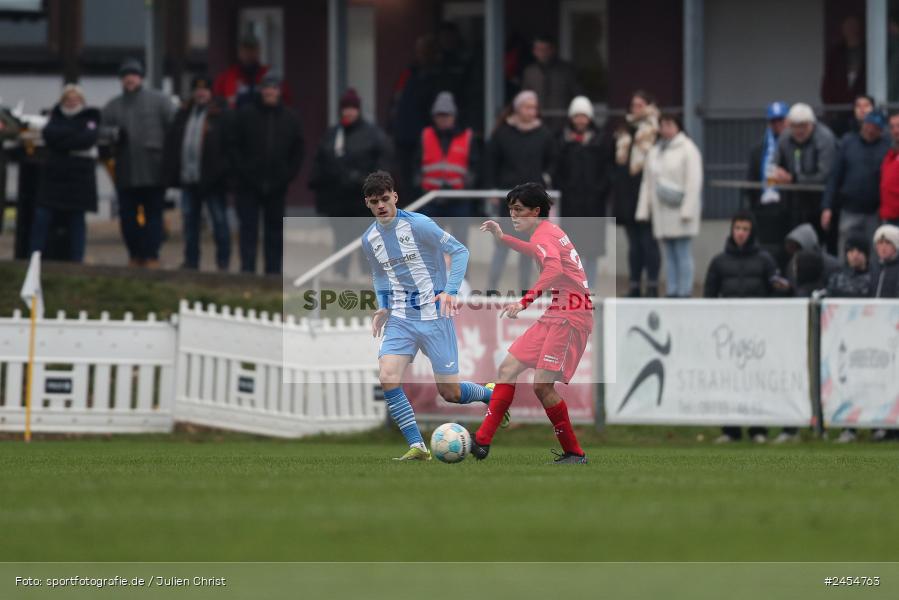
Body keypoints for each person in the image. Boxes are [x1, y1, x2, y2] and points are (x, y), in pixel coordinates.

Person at [360, 171, 498, 461]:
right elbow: (378, 273)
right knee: (387, 377)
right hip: (400, 318)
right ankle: (418, 447)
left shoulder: (420, 225)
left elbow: (460, 252)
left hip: (434, 317)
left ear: (395, 196)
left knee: (451, 392)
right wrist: (383, 305)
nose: (382, 205)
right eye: (375, 202)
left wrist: (449, 290)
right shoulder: (370, 238)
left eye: (386, 199)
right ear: (368, 204)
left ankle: (490, 394)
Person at [471, 183, 592, 464]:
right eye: (510, 209)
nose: (513, 216)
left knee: (542, 386)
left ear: (536, 211)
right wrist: (503, 239)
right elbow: (540, 253)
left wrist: (524, 302)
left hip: (571, 316)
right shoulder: (548, 232)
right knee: (508, 367)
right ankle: (482, 440)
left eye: (519, 210)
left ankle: (575, 452)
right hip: (557, 312)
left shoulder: (544, 235)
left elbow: (553, 268)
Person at [704, 211, 779, 444]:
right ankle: (730, 429)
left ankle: (758, 429)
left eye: (745, 229)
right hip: (729, 336)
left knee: (756, 380)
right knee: (729, 380)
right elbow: (709, 296)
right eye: (738, 228)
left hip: (756, 334)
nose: (741, 233)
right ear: (731, 230)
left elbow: (776, 291)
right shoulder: (719, 262)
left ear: (752, 232)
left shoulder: (765, 261)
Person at [310, 89, 392, 279]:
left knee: (368, 239)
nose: (349, 112)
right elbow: (321, 162)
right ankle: (340, 272)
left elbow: (383, 163)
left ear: (358, 110)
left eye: (352, 108)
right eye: (345, 108)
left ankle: (368, 274)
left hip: (364, 200)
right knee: (341, 238)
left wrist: (364, 181)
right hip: (338, 200)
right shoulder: (333, 134)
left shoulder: (373, 134)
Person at [102, 58, 176, 268]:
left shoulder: (160, 101)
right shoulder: (113, 106)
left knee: (154, 216)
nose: (129, 79)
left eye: (133, 75)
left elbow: (174, 127)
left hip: (154, 172)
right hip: (125, 172)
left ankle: (152, 255)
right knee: (127, 219)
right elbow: (100, 130)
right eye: (125, 76)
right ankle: (134, 255)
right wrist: (112, 134)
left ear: (141, 77)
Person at [230, 73, 303, 275]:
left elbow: (298, 151)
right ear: (261, 91)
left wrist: (287, 175)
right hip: (248, 185)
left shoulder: (290, 118)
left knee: (274, 232)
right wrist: (243, 172)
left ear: (279, 92)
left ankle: (273, 273)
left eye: (274, 88)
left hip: (277, 185)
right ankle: (247, 270)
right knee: (248, 230)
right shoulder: (245, 115)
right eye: (266, 88)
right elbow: (233, 147)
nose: (270, 92)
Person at [485, 90, 555, 293]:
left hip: (532, 201)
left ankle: (525, 290)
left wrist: (547, 178)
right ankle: (491, 289)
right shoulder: (503, 132)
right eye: (528, 107)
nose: (532, 112)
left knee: (528, 249)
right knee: (501, 245)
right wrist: (491, 188)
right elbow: (490, 162)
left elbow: (553, 160)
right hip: (509, 201)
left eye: (535, 107)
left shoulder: (543, 133)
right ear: (517, 108)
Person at [162, 74, 231, 271]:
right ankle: (191, 262)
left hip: (213, 180)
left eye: (204, 90)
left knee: (219, 223)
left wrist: (223, 172)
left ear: (210, 93)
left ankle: (223, 262)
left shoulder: (221, 114)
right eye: (197, 90)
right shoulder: (184, 114)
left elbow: (228, 147)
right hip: (188, 178)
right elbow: (172, 144)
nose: (201, 93)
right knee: (190, 225)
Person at [635, 113, 703, 298]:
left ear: (678, 126)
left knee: (682, 252)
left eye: (669, 125)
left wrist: (688, 209)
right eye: (663, 125)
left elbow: (694, 182)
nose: (665, 129)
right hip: (662, 211)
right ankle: (672, 290)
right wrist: (644, 210)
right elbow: (647, 183)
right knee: (669, 254)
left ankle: (684, 290)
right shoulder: (655, 151)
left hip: (680, 210)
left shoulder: (688, 149)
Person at [30, 84, 100, 263]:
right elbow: (49, 134)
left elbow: (88, 139)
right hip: (54, 177)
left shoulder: (91, 116)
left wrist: (62, 141)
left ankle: (77, 260)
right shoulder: (55, 116)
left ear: (82, 101)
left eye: (76, 99)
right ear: (63, 101)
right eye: (68, 99)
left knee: (77, 220)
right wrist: (75, 133)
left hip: (78, 179)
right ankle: (34, 257)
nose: (72, 102)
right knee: (42, 216)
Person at [553, 95, 613, 288]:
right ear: (572, 117)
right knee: (571, 250)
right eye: (577, 116)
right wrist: (565, 188)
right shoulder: (562, 140)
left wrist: (600, 190)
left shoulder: (601, 140)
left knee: (592, 251)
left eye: (584, 116)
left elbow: (608, 170)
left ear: (590, 118)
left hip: (594, 205)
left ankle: (590, 288)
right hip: (571, 205)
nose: (580, 120)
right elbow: (556, 170)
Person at [414, 91, 479, 247]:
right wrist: (418, 183)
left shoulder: (467, 136)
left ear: (454, 116)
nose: (443, 119)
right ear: (434, 117)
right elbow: (416, 165)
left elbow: (475, 166)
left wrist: (466, 185)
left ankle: (462, 272)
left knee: (460, 244)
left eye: (447, 115)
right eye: (439, 115)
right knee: (429, 244)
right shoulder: (425, 136)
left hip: (458, 198)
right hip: (431, 199)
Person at [613, 90, 661, 297]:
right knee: (633, 244)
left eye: (640, 104)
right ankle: (634, 285)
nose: (636, 109)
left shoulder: (655, 129)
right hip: (627, 194)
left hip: (646, 193)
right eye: (634, 105)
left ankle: (652, 285)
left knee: (648, 241)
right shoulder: (625, 130)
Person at [822, 111, 889, 258]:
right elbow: (834, 176)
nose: (870, 130)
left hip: (874, 212)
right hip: (849, 209)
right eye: (868, 126)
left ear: (881, 130)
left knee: (874, 251)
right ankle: (843, 279)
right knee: (846, 249)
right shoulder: (848, 142)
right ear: (863, 125)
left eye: (875, 128)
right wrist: (827, 206)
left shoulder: (887, 146)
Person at [771, 103, 837, 246]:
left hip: (819, 202)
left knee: (819, 243)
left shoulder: (825, 138)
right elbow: (775, 163)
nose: (799, 131)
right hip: (792, 203)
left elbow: (825, 175)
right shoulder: (785, 136)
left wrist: (794, 179)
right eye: (795, 126)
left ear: (812, 124)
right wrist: (777, 173)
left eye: (803, 126)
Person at [389, 34, 442, 197]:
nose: (421, 54)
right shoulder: (409, 73)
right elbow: (396, 102)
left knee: (422, 176)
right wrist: (392, 126)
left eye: (425, 51)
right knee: (406, 175)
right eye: (419, 51)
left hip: (426, 136)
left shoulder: (437, 76)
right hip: (404, 134)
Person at [745, 101, 790, 268]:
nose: (777, 125)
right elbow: (751, 179)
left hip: (788, 209)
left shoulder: (793, 146)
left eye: (781, 120)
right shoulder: (758, 149)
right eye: (773, 121)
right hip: (763, 209)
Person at [213, 33, 291, 109]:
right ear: (239, 52)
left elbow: (286, 101)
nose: (249, 53)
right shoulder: (227, 77)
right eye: (245, 49)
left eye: (252, 49)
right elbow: (216, 104)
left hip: (263, 119)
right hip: (237, 120)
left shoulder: (269, 75)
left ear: (258, 51)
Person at [520, 34, 579, 132]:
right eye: (538, 50)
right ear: (534, 52)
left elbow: (577, 95)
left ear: (552, 50)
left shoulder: (566, 70)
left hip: (562, 124)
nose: (542, 53)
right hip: (536, 123)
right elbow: (524, 98)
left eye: (545, 49)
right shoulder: (530, 72)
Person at [821, 16, 866, 137]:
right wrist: (830, 108)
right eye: (848, 28)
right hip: (839, 111)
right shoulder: (837, 54)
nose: (851, 31)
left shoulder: (868, 51)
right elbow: (827, 82)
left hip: (860, 111)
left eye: (854, 28)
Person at [880, 112, 899, 227]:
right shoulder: (889, 154)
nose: (896, 130)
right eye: (892, 127)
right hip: (889, 217)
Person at [870, 224, 899, 298]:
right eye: (880, 243)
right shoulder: (871, 267)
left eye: (888, 243)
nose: (883, 247)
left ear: (896, 246)